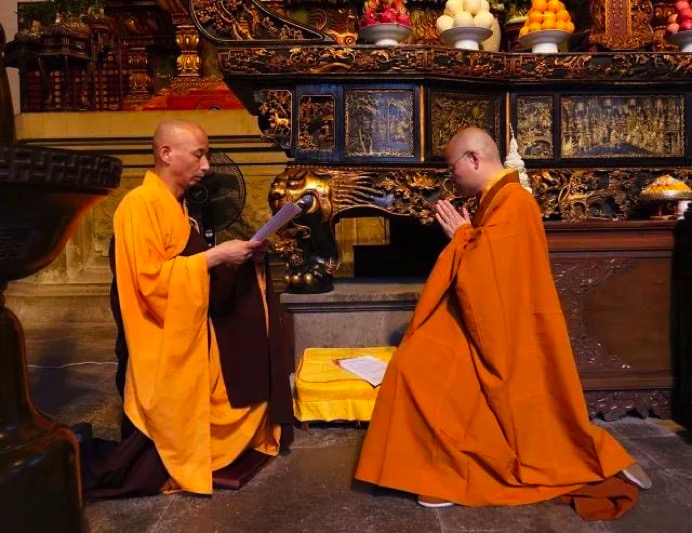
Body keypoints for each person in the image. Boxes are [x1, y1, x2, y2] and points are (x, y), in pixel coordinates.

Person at [354, 127, 651, 519]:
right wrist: (466, 237)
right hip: (485, 320)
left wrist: (462, 236)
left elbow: (488, 274)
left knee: (418, 366)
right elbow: (486, 265)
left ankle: (451, 471)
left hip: (505, 331)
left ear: (475, 159)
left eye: (452, 168)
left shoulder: (514, 202)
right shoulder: (495, 200)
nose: (451, 177)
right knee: (413, 362)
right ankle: (441, 467)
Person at [82, 118, 294, 498]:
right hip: (159, 333)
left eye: (207, 156)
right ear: (167, 154)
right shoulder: (139, 205)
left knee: (247, 338)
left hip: (192, 320)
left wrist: (243, 259)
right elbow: (150, 283)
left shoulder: (178, 207)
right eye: (199, 155)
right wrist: (214, 257)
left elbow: (189, 270)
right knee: (134, 471)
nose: (207, 166)